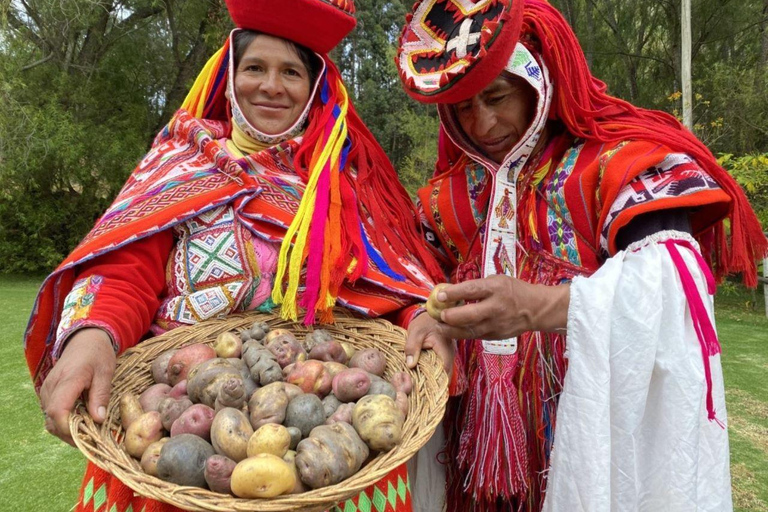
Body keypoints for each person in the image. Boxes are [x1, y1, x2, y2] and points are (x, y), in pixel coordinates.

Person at [23, 1, 444, 511]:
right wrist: (92, 336)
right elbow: (125, 271)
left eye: (290, 71)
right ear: (228, 75)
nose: (271, 85)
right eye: (254, 68)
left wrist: (420, 314)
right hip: (180, 448)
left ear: (314, 88)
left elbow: (386, 281)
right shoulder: (180, 163)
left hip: (332, 456)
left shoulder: (343, 186)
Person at [396, 1, 767, 511]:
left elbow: (672, 285)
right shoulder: (446, 199)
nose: (483, 124)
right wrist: (426, 318)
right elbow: (410, 281)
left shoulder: (617, 166)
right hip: (469, 458)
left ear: (538, 81)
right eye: (463, 107)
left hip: (587, 434)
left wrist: (539, 308)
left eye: (497, 97)